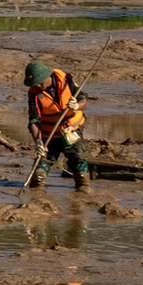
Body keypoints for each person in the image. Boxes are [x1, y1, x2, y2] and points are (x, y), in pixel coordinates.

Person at [25, 61, 93, 192]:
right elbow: (34, 120)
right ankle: (36, 194)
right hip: (48, 135)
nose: (38, 86)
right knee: (39, 171)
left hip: (71, 131)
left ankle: (83, 190)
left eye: (40, 82)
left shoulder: (67, 80)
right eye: (35, 84)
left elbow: (84, 101)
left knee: (79, 162)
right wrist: (38, 142)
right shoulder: (34, 94)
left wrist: (77, 106)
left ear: (47, 76)